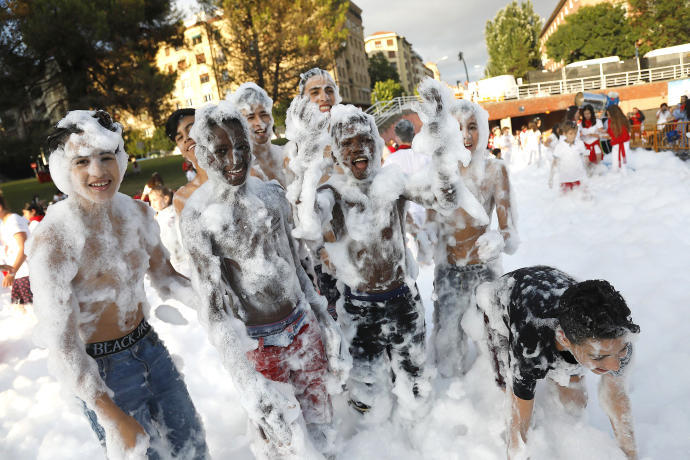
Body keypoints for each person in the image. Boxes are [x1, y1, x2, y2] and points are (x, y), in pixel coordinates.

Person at [299, 80, 488, 422]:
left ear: (378, 143)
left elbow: (443, 199)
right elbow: (309, 220)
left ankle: (417, 435)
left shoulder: (393, 181)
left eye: (366, 139)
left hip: (403, 299)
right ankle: (375, 436)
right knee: (366, 385)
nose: (360, 148)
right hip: (358, 305)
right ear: (335, 151)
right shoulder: (335, 191)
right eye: (349, 142)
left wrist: (441, 139)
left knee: (415, 377)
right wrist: (309, 167)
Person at [28, 110, 208, 459]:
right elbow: (61, 344)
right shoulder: (54, 239)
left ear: (121, 159)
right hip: (101, 370)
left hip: (150, 349)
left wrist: (216, 304)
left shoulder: (138, 215)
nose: (98, 172)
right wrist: (110, 416)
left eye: (106, 157)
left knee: (193, 449)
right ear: (64, 169)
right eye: (82, 161)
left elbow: (167, 279)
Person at [179, 101, 347, 458]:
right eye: (222, 150)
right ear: (204, 155)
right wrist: (247, 381)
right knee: (285, 441)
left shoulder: (271, 196)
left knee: (323, 422)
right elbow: (214, 311)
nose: (235, 159)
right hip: (258, 344)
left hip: (302, 327)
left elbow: (298, 266)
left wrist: (323, 319)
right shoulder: (200, 218)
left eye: (241, 147)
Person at [477, 266, 639, 460]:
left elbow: (616, 399)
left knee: (575, 402)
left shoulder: (618, 339)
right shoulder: (531, 347)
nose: (614, 366)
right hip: (504, 298)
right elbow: (518, 426)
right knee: (510, 385)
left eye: (620, 351)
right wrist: (517, 451)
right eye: (600, 357)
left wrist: (631, 455)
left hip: (556, 290)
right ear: (564, 339)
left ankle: (573, 366)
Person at [427, 98, 519, 378]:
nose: (466, 136)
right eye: (458, 128)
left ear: (483, 129)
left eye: (472, 127)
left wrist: (498, 239)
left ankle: (494, 394)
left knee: (495, 343)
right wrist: (422, 239)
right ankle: (454, 398)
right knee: (448, 344)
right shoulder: (440, 173)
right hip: (448, 270)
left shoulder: (494, 170)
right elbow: (431, 227)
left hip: (484, 269)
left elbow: (510, 231)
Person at [383, 118, 432, 262]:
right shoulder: (427, 157)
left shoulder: (391, 161)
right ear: (413, 134)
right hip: (427, 211)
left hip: (406, 216)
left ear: (397, 138)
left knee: (414, 261)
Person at [228, 82, 288, 187]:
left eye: (264, 114)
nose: (259, 122)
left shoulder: (287, 155)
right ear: (239, 124)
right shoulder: (242, 173)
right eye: (250, 117)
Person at [164, 108, 208, 214]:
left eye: (191, 129)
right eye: (179, 137)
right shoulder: (182, 198)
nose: (186, 138)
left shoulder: (243, 175)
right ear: (182, 151)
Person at [0, 193, 32, 306]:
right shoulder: (4, 223)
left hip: (27, 274)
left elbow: (24, 248)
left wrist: (12, 273)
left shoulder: (13, 220)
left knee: (32, 310)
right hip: (18, 274)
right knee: (20, 311)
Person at [149, 185, 187, 275]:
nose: (152, 203)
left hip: (181, 256)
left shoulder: (173, 214)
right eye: (150, 201)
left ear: (166, 199)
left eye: (154, 200)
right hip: (169, 257)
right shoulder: (157, 217)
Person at [549, 121, 587, 192]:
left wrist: (587, 172)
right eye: (570, 133)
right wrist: (551, 178)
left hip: (578, 177)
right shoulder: (560, 146)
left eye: (575, 133)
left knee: (582, 198)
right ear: (564, 134)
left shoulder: (580, 143)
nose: (573, 136)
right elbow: (554, 163)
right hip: (565, 178)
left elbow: (584, 158)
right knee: (566, 200)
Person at [606, 105, 631, 170]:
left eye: (609, 115)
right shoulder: (610, 121)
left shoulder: (622, 121)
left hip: (622, 144)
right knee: (615, 163)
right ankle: (616, 175)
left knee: (623, 165)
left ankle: (623, 177)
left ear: (614, 114)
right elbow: (610, 131)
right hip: (615, 143)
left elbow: (624, 136)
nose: (608, 116)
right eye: (607, 114)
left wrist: (612, 138)